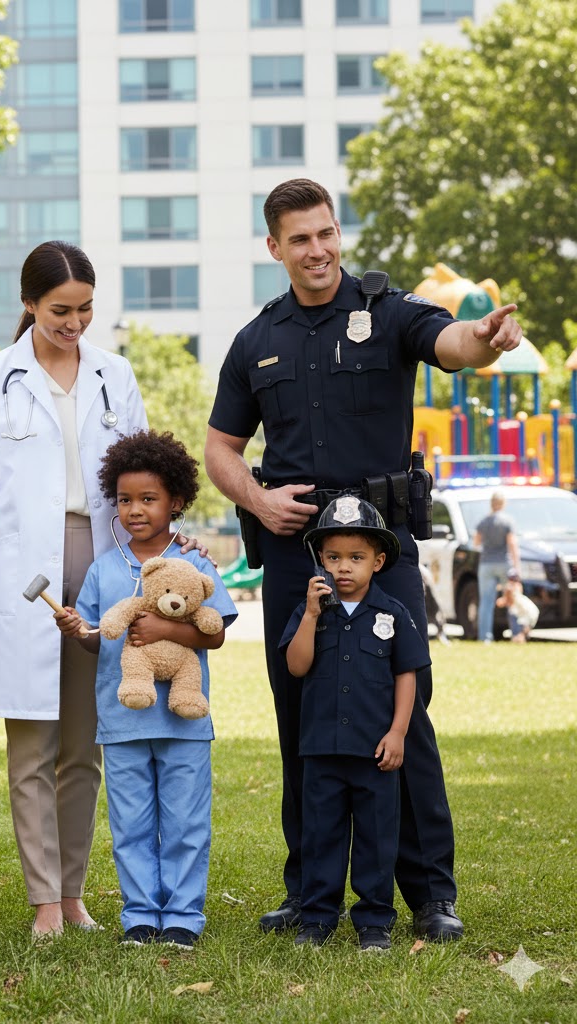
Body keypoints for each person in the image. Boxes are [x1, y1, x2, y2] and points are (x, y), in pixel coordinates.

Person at [204, 178, 522, 942]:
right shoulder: (255, 340)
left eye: (326, 233)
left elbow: (452, 343)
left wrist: (485, 339)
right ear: (275, 247)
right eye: (300, 239)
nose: (317, 250)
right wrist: (257, 500)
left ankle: (430, 895)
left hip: (383, 552)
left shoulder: (389, 312)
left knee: (405, 717)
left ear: (338, 233)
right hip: (296, 554)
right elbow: (220, 448)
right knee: (301, 716)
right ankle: (309, 894)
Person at [0, 240, 199, 938]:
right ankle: (44, 902)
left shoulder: (115, 374)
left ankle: (73, 893)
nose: (74, 323)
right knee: (32, 745)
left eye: (85, 309)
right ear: (29, 304)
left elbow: (140, 475)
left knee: (84, 746)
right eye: (60, 310)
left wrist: (171, 540)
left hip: (105, 563)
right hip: (28, 571)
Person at [55, 430, 237, 947]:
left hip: (184, 722)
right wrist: (77, 631)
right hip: (123, 721)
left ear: (176, 500)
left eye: (148, 499)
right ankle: (139, 916)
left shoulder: (194, 562)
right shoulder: (104, 568)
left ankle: (182, 917)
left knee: (185, 823)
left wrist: (164, 630)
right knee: (131, 824)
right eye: (125, 500)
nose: (135, 510)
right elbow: (98, 639)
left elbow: (216, 633)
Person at [281, 497, 428, 951]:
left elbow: (407, 675)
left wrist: (398, 732)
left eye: (356, 557)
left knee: (376, 839)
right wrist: (310, 615)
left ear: (377, 562)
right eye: (333, 557)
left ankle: (375, 922)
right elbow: (296, 666)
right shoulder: (310, 612)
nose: (343, 567)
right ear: (320, 560)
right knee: (320, 837)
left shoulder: (393, 614)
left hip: (374, 752)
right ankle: (317, 918)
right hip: (321, 750)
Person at [472, 491, 520, 643]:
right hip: (504, 563)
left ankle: (485, 637)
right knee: (511, 599)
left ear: (491, 504)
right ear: (503, 504)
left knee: (486, 602)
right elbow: (512, 544)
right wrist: (517, 567)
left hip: (486, 564)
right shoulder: (507, 521)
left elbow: (476, 543)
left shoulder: (483, 522)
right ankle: (516, 634)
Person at [496, 569, 539, 642]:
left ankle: (518, 637)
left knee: (520, 632)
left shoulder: (512, 587)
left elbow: (505, 601)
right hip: (528, 612)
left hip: (526, 612)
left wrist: (502, 600)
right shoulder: (517, 586)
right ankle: (520, 637)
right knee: (523, 631)